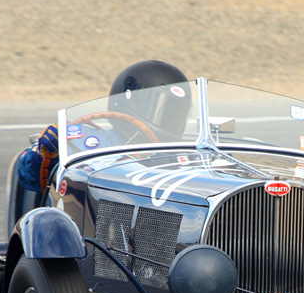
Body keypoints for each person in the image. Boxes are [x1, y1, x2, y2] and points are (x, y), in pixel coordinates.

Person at [15, 60, 190, 193]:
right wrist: (44, 154)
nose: (165, 119)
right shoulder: (84, 140)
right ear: (125, 98)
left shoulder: (184, 159)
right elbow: (27, 178)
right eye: (155, 107)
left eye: (173, 112)